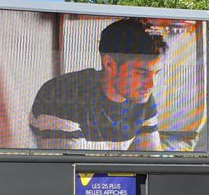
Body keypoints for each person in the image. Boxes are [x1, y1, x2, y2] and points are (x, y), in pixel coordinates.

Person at [30, 18, 168, 151]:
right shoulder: (61, 93)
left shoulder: (142, 97)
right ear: (109, 64)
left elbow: (153, 160)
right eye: (142, 74)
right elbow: (69, 170)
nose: (151, 84)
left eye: (156, 73)